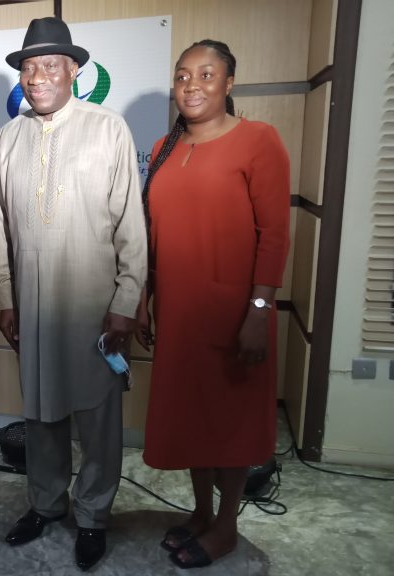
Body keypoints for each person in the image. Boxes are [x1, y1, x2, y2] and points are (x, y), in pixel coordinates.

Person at [0, 17, 147, 572]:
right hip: (31, 305)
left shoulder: (108, 128)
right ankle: (47, 504)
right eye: (29, 67)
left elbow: (131, 222)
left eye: (50, 65)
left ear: (74, 70)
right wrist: (6, 298)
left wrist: (127, 301)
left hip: (93, 302)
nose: (38, 77)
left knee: (98, 416)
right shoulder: (8, 137)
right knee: (41, 412)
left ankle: (94, 515)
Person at [136, 39, 290, 569]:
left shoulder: (258, 140)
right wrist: (143, 301)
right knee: (192, 419)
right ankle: (201, 512)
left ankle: (226, 525)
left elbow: (274, 236)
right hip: (178, 313)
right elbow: (152, 236)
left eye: (206, 75)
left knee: (229, 424)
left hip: (235, 315)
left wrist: (260, 313)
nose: (192, 85)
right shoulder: (162, 147)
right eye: (182, 76)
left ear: (229, 83)